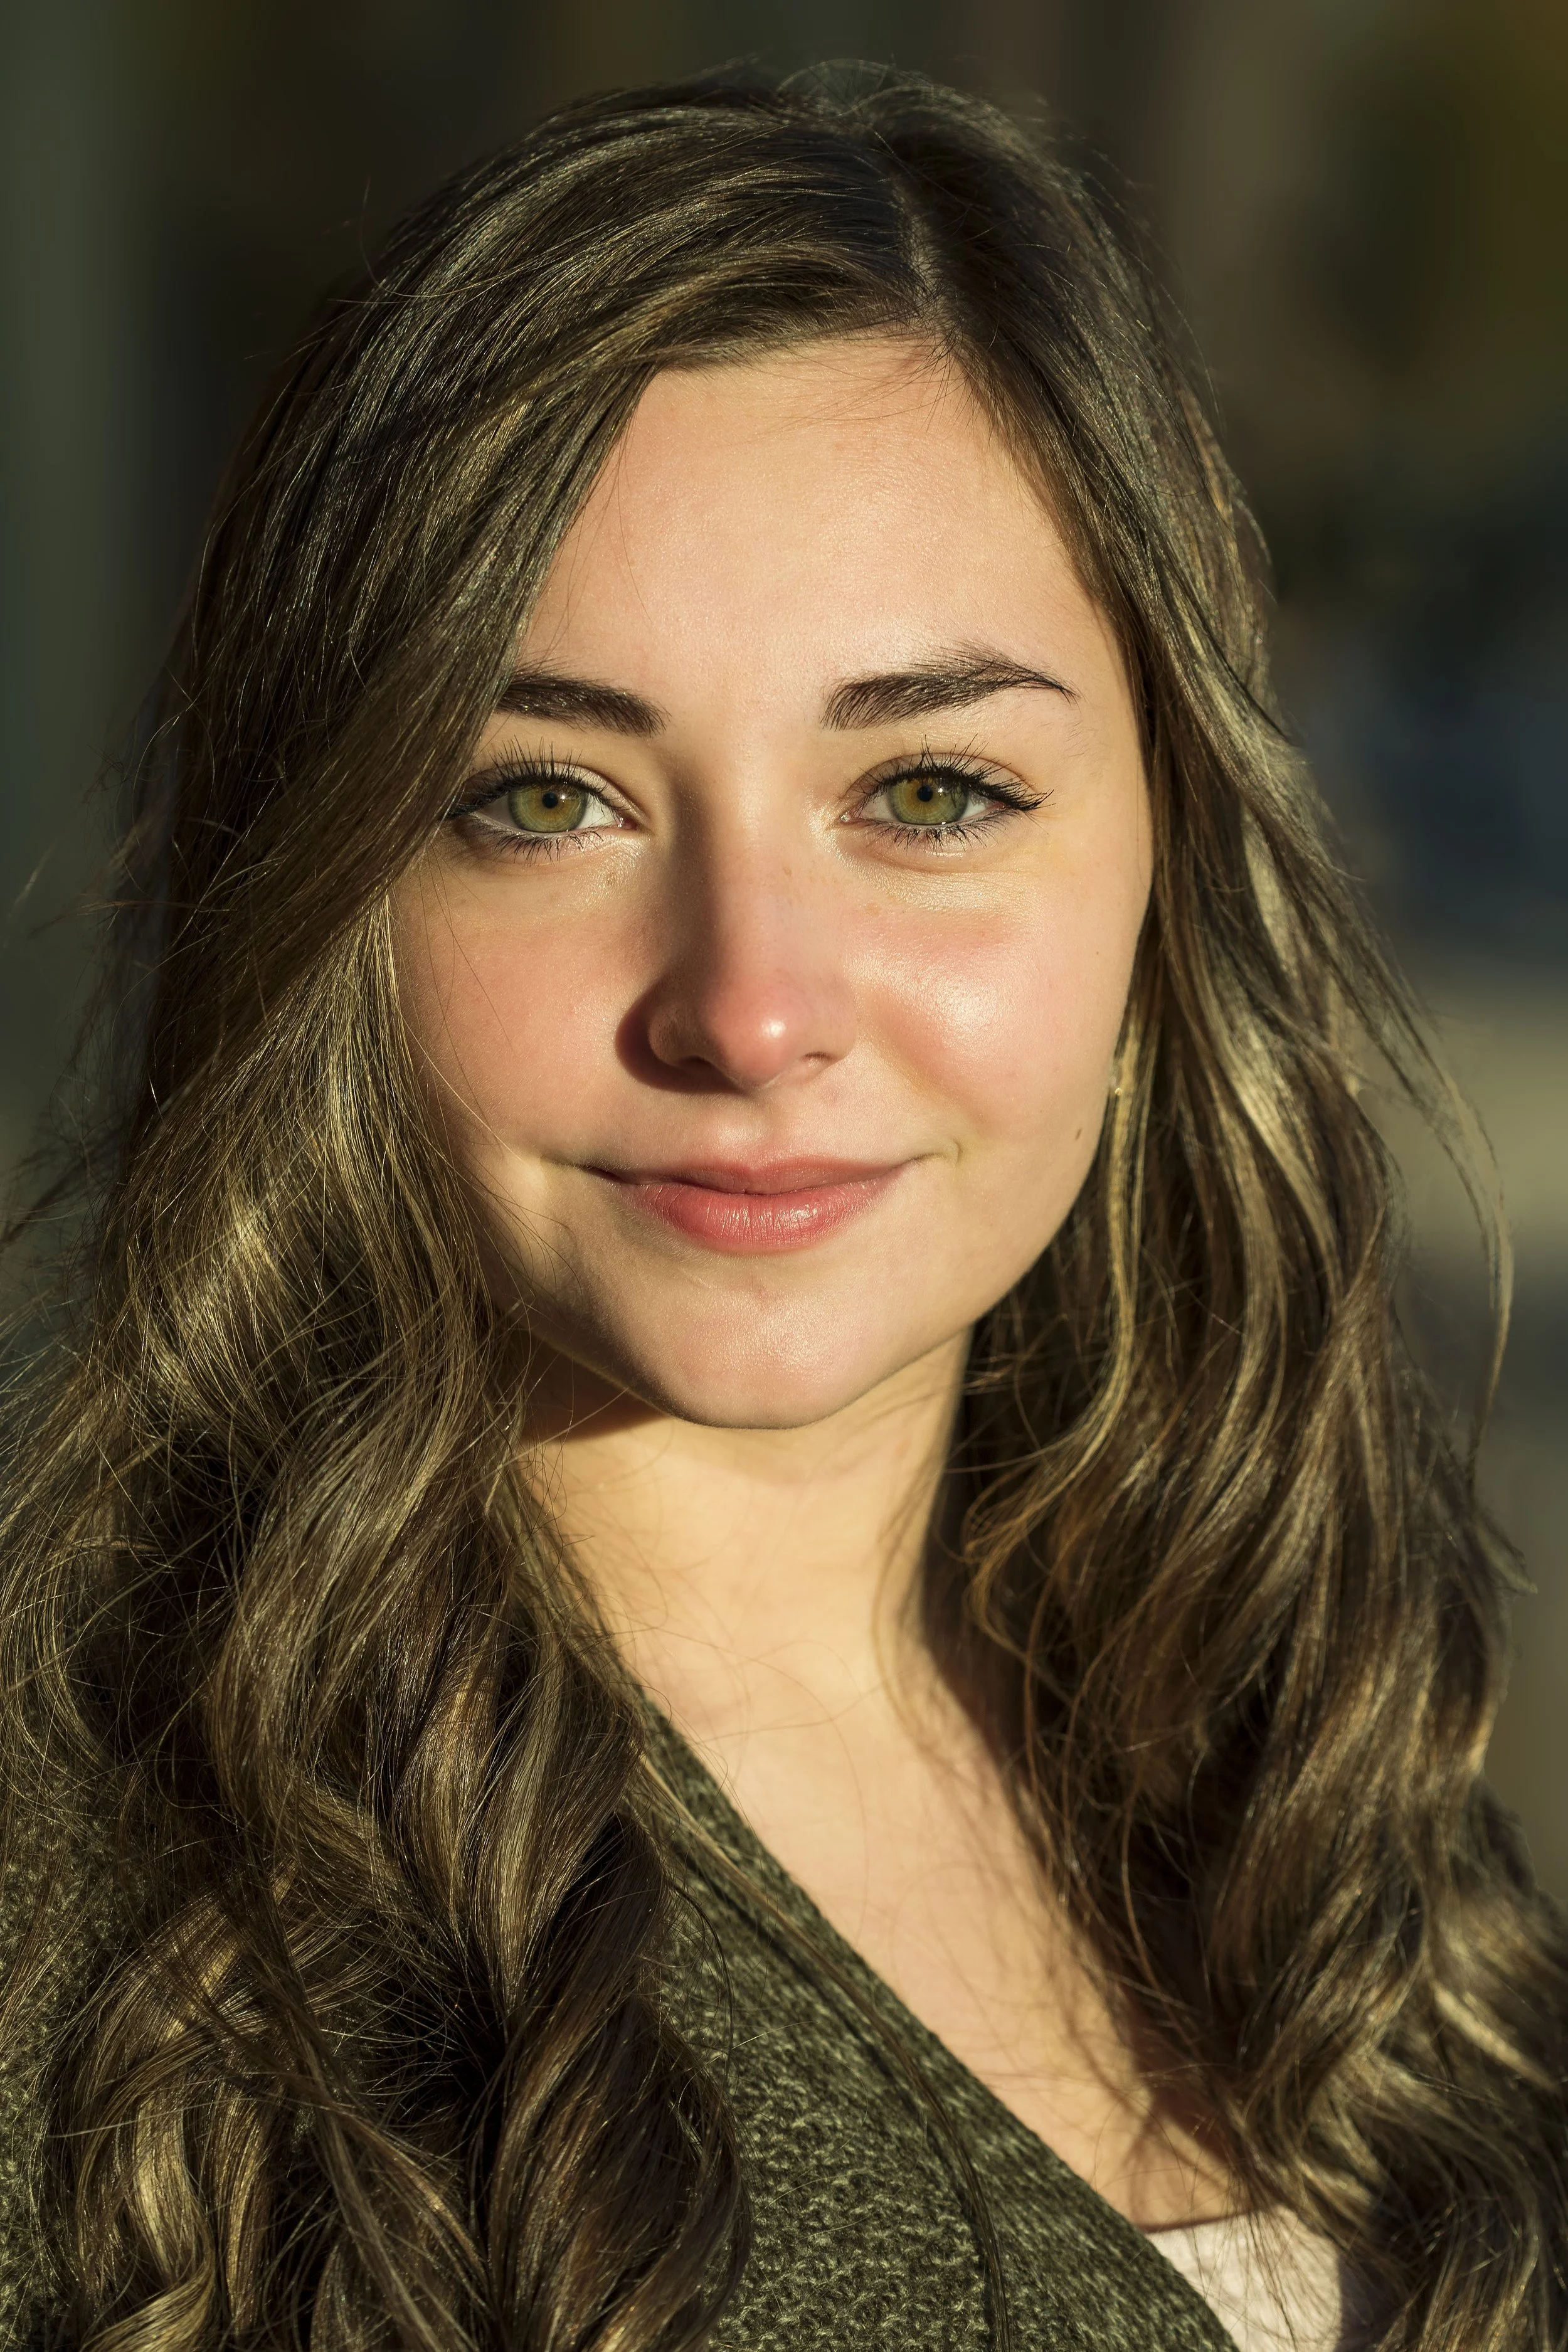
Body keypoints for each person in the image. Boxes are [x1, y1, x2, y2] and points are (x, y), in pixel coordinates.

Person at [0, 64, 1561, 2352]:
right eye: (546, 799)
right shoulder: (96, 1921)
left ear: (1167, 859)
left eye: (927, 789)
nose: (748, 1009)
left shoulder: (1307, 1769)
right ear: (334, 892)